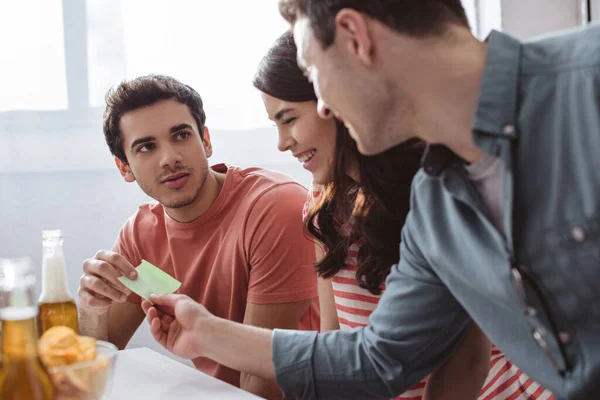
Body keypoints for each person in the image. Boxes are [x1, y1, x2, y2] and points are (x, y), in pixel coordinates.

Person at [142, 1, 600, 399]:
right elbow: (381, 358)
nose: (323, 106)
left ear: (354, 38)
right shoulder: (435, 205)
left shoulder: (587, 80)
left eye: (316, 73)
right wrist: (204, 332)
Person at [255, 30, 554, 400]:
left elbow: (466, 361)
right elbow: (333, 337)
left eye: (289, 119)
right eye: (276, 125)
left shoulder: (433, 195)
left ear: (335, 102)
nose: (282, 142)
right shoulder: (322, 208)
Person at [77, 75, 320, 399]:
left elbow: (263, 383)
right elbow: (95, 362)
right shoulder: (141, 233)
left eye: (181, 135)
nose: (169, 158)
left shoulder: (276, 207)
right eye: (146, 146)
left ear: (205, 141)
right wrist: (92, 309)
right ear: (124, 168)